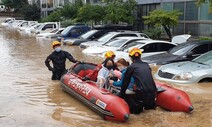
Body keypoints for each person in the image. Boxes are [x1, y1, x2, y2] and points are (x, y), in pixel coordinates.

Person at [119, 47, 157, 114]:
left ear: (131, 58)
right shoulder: (146, 65)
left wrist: (121, 95)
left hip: (141, 93)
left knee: (135, 113)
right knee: (149, 112)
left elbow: (125, 82)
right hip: (152, 93)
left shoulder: (131, 67)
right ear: (140, 56)